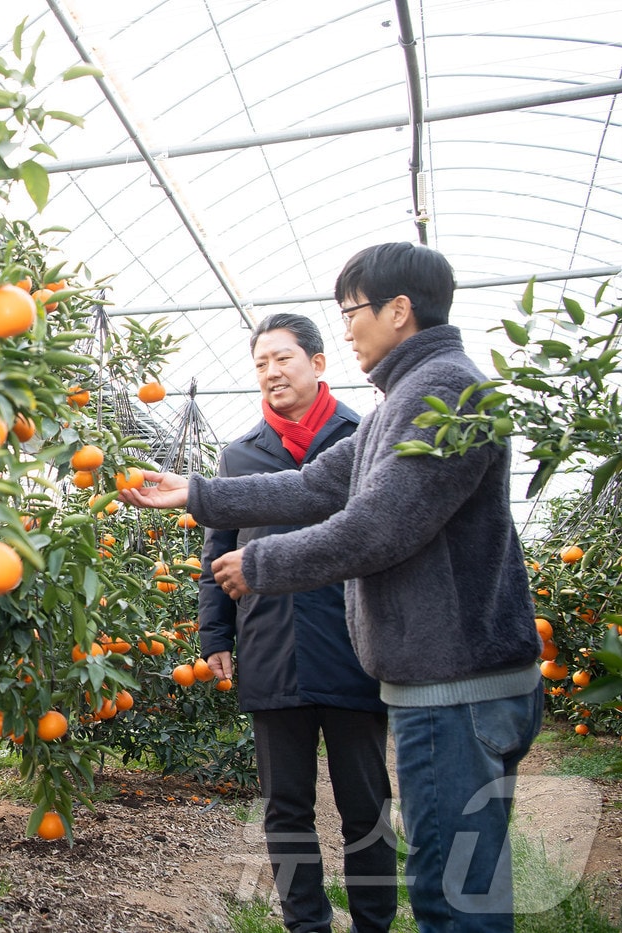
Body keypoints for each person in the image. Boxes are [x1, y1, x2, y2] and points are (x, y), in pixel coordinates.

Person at [123, 243, 542, 933]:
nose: (347, 329)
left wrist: (260, 566)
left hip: (454, 684)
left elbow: (375, 528)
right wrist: (195, 491)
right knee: (448, 884)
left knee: (454, 897)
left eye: (352, 312)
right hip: (410, 676)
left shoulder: (439, 392)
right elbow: (315, 484)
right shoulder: (400, 402)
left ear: (398, 310)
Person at [202, 312, 396, 933]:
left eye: (282, 359)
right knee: (286, 808)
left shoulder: (362, 438)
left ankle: (373, 923)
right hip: (271, 644)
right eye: (260, 364)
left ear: (317, 363)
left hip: (351, 646)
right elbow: (217, 552)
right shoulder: (239, 454)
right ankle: (304, 924)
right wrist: (215, 635)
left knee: (365, 804)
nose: (270, 373)